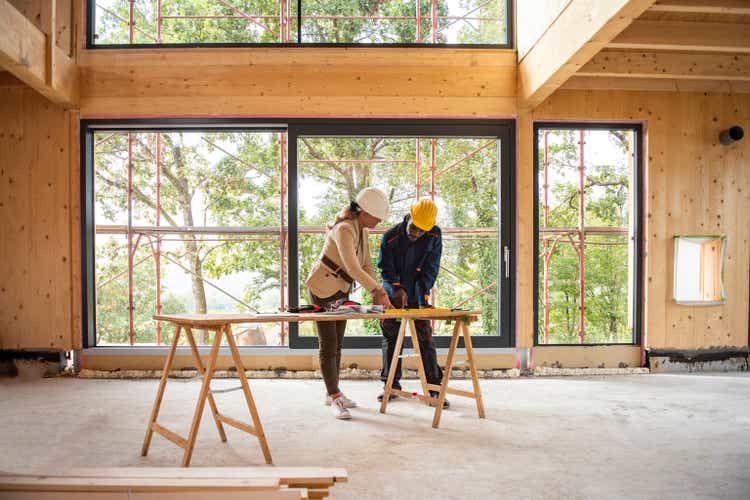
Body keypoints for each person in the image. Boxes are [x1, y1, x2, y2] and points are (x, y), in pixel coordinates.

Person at [306, 187, 394, 420]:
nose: (378, 221)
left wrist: (380, 293)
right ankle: (334, 397)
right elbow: (353, 267)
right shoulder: (344, 229)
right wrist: (376, 291)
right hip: (322, 288)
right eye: (377, 217)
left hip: (340, 290)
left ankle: (332, 392)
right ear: (364, 212)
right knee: (328, 344)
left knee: (337, 345)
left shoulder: (362, 230)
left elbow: (365, 266)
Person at [377, 198, 448, 409]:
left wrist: (421, 295)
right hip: (392, 292)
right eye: (414, 228)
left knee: (425, 338)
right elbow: (385, 268)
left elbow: (431, 268)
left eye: (421, 231)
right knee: (391, 338)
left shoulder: (434, 235)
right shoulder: (390, 237)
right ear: (409, 216)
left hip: (418, 290)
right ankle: (390, 385)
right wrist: (397, 289)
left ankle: (434, 388)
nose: (416, 234)